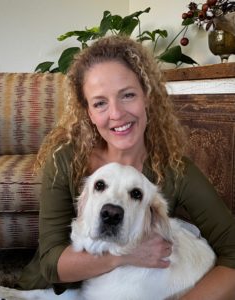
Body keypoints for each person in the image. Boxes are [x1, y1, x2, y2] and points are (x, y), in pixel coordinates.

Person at [17, 35, 235, 299]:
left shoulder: (175, 169)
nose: (117, 114)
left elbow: (232, 250)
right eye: (100, 103)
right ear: (88, 112)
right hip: (57, 289)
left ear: (147, 97)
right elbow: (50, 264)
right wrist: (124, 256)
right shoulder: (64, 159)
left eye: (128, 95)